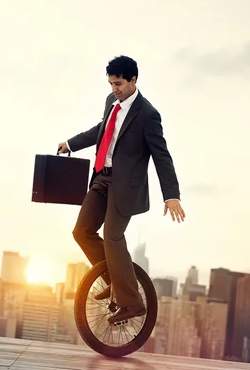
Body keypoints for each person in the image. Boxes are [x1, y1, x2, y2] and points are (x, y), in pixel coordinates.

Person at [57, 55, 185, 324]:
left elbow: (162, 155)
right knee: (81, 232)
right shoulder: (110, 102)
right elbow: (102, 130)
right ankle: (114, 280)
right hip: (101, 178)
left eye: (118, 84)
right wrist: (71, 143)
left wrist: (171, 194)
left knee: (113, 235)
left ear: (133, 80)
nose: (114, 89)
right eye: (111, 84)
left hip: (124, 186)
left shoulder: (148, 115)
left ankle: (132, 303)